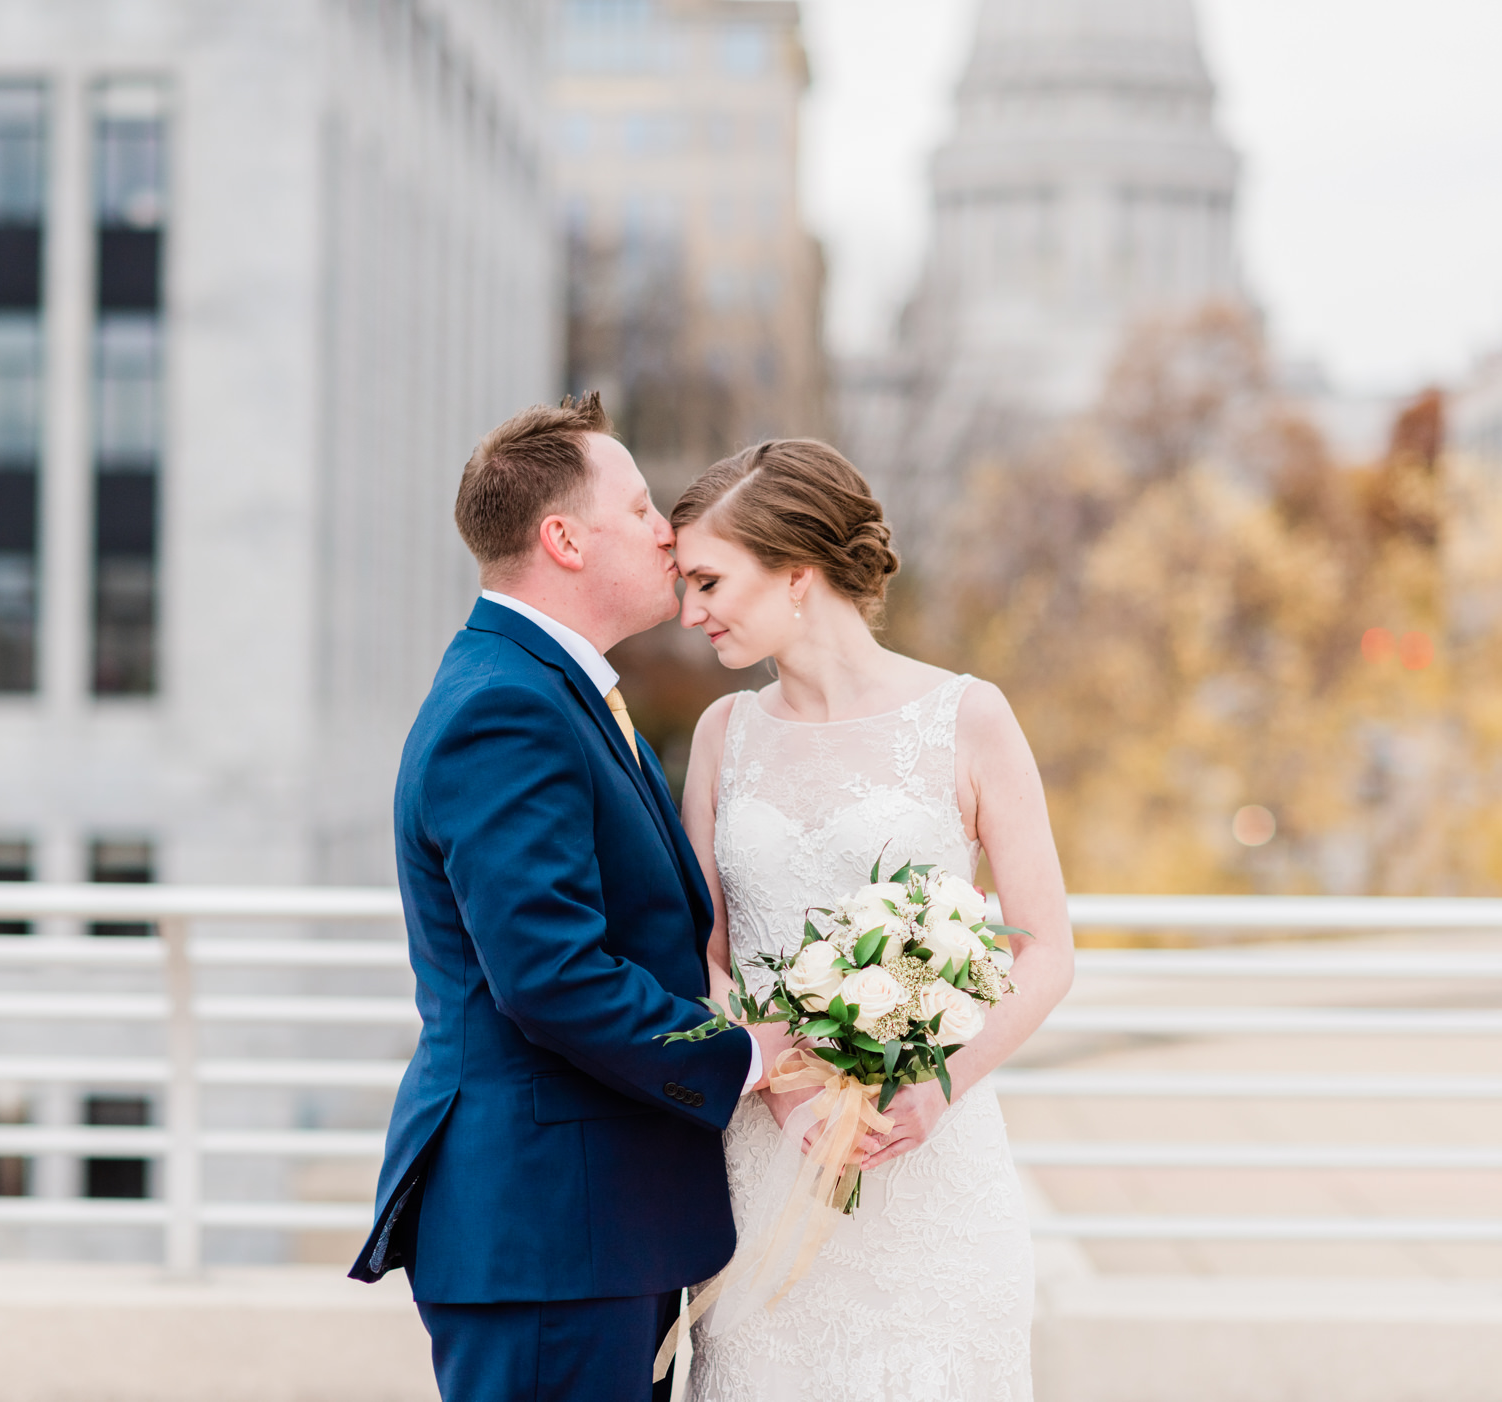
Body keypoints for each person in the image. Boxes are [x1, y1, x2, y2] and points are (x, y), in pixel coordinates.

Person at [350, 395, 772, 1402]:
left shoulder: (551, 689)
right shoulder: (506, 707)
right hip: (548, 1233)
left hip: (592, 1230)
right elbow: (551, 974)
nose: (666, 529)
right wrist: (743, 1057)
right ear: (564, 538)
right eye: (638, 509)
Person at [672, 439, 1075, 1401]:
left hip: (929, 1166)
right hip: (770, 1161)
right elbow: (705, 951)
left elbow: (1047, 951)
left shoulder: (969, 718)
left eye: (709, 581)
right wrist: (780, 1083)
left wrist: (938, 1085)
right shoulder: (724, 735)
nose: (690, 612)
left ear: (797, 574)